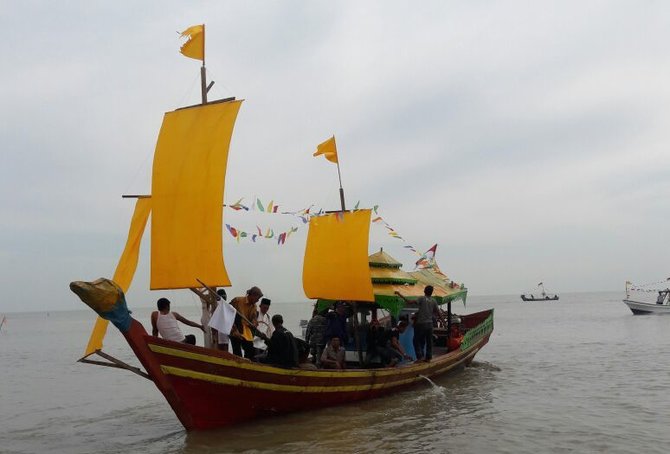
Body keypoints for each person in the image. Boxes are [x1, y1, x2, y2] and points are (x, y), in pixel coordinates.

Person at [395, 285, 445, 362]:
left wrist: (399, 294)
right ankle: (428, 358)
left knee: (416, 340)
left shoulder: (421, 298)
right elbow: (438, 313)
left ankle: (420, 357)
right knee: (428, 341)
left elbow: (409, 302)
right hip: (430, 325)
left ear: (424, 291)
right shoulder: (433, 301)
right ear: (431, 293)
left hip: (421, 324)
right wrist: (444, 323)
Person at [230, 286, 263, 359]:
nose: (257, 301)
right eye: (257, 298)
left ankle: (247, 365)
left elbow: (253, 318)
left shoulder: (254, 306)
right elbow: (228, 315)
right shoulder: (237, 300)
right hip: (235, 328)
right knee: (237, 352)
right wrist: (234, 330)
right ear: (252, 295)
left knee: (249, 350)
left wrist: (254, 323)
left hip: (246, 330)